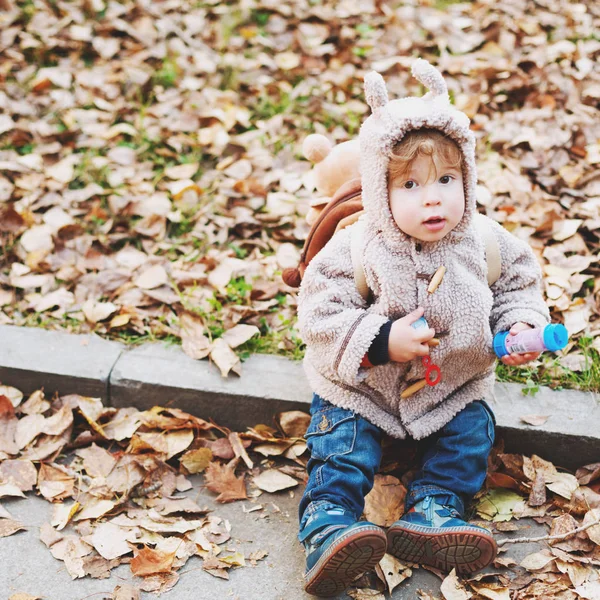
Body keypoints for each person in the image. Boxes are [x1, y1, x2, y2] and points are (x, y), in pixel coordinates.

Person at [296, 59, 550, 597]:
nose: (432, 197)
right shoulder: (358, 245)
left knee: (470, 436)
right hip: (360, 389)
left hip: (449, 387)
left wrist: (519, 324)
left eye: (446, 180)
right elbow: (320, 310)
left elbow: (518, 285)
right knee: (341, 446)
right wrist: (381, 340)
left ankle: (434, 510)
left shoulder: (483, 239)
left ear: (469, 177)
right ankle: (329, 524)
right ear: (378, 190)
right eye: (410, 184)